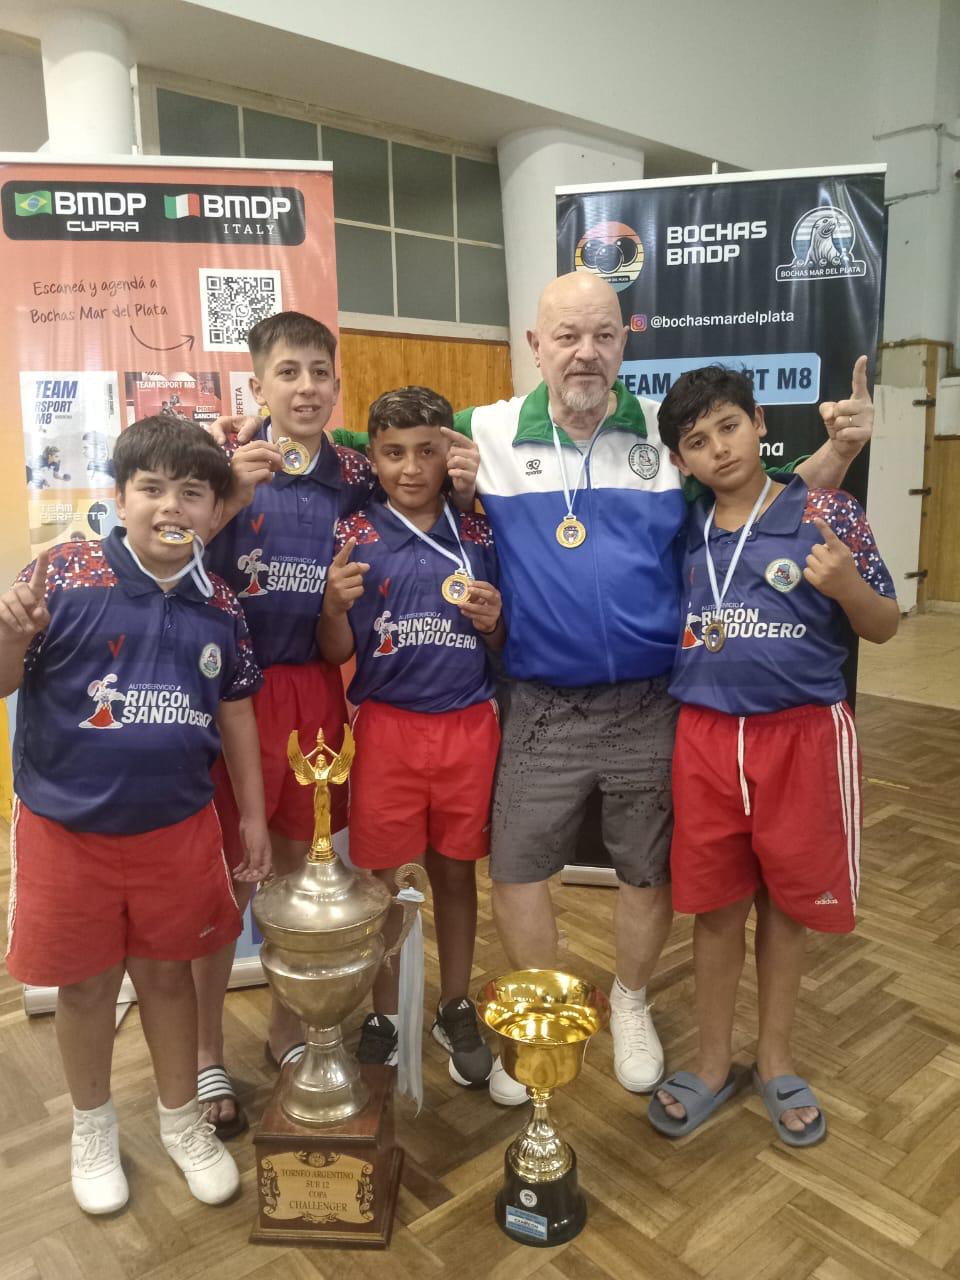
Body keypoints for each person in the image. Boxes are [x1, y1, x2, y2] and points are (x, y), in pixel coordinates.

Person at [218, 271, 874, 1107]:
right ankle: (537, 1012)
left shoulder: (668, 438)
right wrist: (258, 432)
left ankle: (629, 1000)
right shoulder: (482, 430)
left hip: (650, 700)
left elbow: (758, 495)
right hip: (538, 702)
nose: (585, 353)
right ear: (536, 346)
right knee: (519, 869)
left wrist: (840, 451)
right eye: (567, 336)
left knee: (644, 871)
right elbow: (369, 440)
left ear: (624, 341)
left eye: (602, 334)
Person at [197, 314, 481, 1131]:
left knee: (303, 868)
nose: (306, 388)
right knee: (229, 877)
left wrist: (468, 484)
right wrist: (224, 493)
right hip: (230, 698)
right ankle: (208, 1055)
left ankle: (292, 1026)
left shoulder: (355, 474)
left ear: (336, 384)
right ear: (258, 384)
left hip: (315, 689)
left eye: (320, 372)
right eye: (288, 372)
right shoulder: (221, 469)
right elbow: (169, 550)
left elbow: (415, 475)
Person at [1, 416, 270, 1214]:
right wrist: (10, 640)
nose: (170, 507)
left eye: (191, 493)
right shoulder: (61, 573)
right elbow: (4, 680)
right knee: (86, 988)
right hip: (65, 831)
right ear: (120, 499)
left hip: (178, 830)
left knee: (167, 979)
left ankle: (181, 1121)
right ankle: (92, 1128)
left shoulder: (221, 602)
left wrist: (253, 817)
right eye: (151, 488)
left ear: (214, 510)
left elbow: (237, 712)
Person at [647, 366, 898, 1144]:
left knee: (787, 908)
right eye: (697, 441)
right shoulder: (684, 525)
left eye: (729, 426)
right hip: (705, 738)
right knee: (717, 907)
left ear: (759, 422)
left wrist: (848, 586)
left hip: (803, 737)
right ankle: (712, 1062)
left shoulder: (827, 511)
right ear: (681, 461)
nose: (719, 449)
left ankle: (777, 1060)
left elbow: (884, 624)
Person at [317, 386, 501, 1086]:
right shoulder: (354, 531)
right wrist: (332, 608)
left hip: (468, 724)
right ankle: (386, 1015)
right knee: (386, 881)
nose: (412, 468)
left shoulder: (479, 532)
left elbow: (503, 642)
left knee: (455, 871)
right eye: (394, 453)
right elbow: (336, 651)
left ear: (449, 453)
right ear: (374, 456)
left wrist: (493, 623)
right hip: (386, 727)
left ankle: (454, 1003)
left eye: (427, 451)